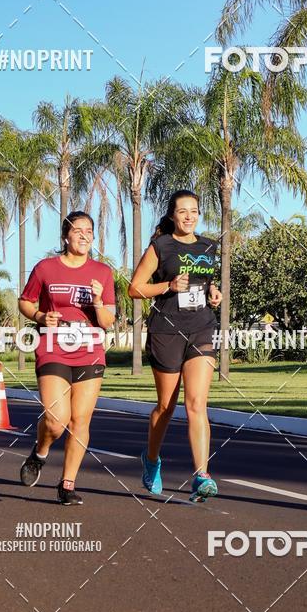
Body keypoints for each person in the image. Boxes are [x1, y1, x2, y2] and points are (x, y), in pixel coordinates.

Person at [129, 190, 222, 502]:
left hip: (202, 328)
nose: (188, 216)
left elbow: (206, 280)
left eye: (193, 210)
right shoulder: (161, 246)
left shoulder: (209, 245)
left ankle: (201, 474)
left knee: (196, 403)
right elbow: (135, 288)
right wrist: (166, 286)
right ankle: (151, 459)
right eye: (182, 211)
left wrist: (213, 291)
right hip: (166, 331)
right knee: (166, 408)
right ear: (171, 215)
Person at [18, 211, 116, 505]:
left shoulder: (102, 272)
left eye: (89, 231)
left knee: (80, 420)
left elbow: (108, 320)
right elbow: (25, 301)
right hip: (53, 347)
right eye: (78, 231)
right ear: (65, 236)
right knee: (56, 419)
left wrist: (98, 302)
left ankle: (67, 484)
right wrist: (39, 315)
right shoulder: (46, 268)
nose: (84, 235)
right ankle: (40, 451)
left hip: (90, 349)